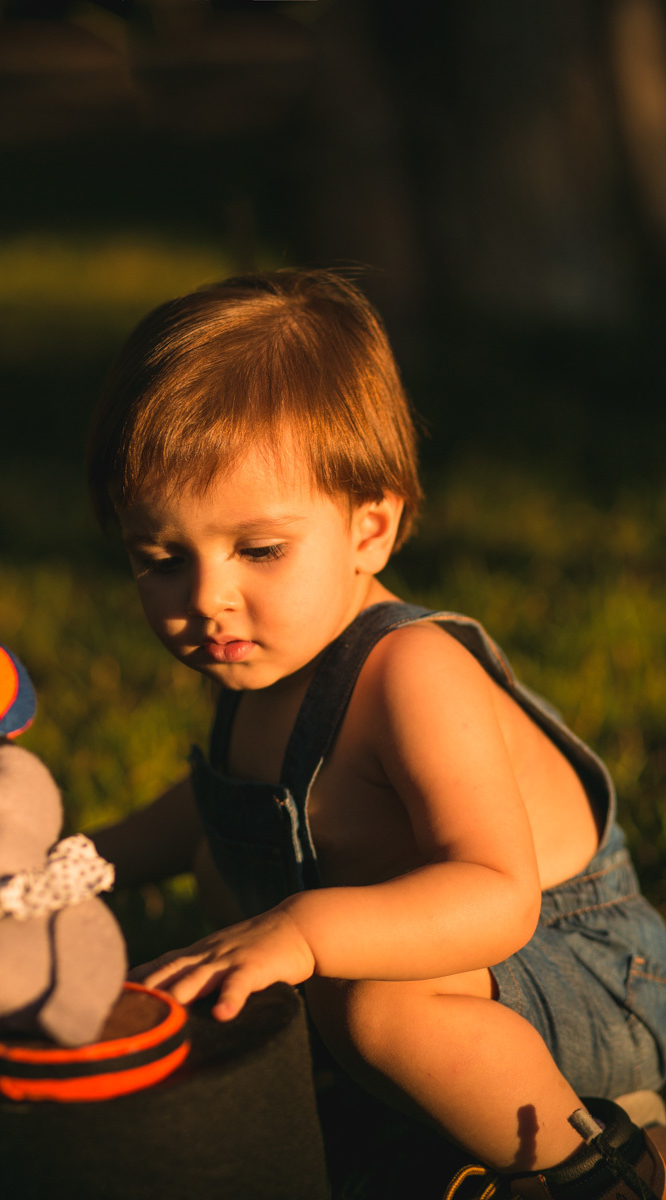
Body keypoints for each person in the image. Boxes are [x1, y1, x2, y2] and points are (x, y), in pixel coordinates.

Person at [86, 269, 666, 1198]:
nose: (205, 600)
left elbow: (497, 897)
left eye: (259, 549)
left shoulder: (411, 672)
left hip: (585, 975)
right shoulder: (259, 655)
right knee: (219, 860)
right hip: (459, 970)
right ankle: (353, 1103)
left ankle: (598, 1165)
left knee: (377, 998)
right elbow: (208, 805)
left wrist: (305, 931)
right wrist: (74, 864)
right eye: (160, 559)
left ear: (371, 529)